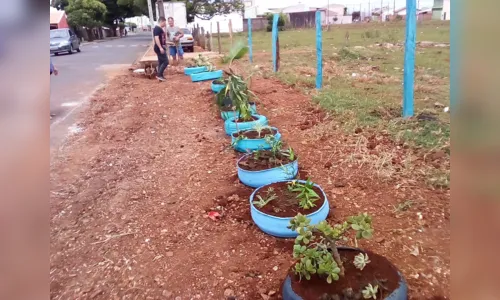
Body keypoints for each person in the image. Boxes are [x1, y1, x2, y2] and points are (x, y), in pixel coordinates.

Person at [153, 17, 168, 82]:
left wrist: (168, 43)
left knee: (161, 62)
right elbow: (156, 38)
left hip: (160, 47)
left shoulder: (159, 29)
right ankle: (159, 75)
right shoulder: (157, 28)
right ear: (161, 21)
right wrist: (160, 48)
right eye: (164, 22)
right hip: (159, 48)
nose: (165, 24)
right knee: (166, 61)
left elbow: (162, 39)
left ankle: (160, 76)